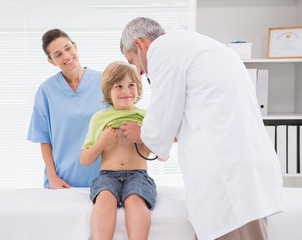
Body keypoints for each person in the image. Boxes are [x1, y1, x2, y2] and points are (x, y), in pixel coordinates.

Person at [119, 17, 284, 240]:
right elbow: (200, 107)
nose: (138, 71)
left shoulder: (162, 49)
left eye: (132, 61)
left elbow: (159, 123)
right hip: (242, 167)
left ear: (140, 45)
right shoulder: (195, 46)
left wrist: (141, 133)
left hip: (227, 175)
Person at [80, 61, 157, 240]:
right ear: (108, 91)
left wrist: (140, 137)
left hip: (138, 175)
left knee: (135, 199)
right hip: (108, 175)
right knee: (105, 198)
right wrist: (102, 142)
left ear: (138, 88)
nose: (126, 91)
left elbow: (157, 152)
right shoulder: (99, 119)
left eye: (131, 85)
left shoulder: (145, 117)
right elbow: (85, 159)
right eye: (118, 86)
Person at [27, 29, 107, 189]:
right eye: (58, 54)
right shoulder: (46, 91)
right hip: (63, 182)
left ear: (75, 46)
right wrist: (52, 178)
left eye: (68, 48)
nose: (66, 56)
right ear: (51, 61)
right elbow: (44, 140)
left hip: (104, 179)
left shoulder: (104, 82)